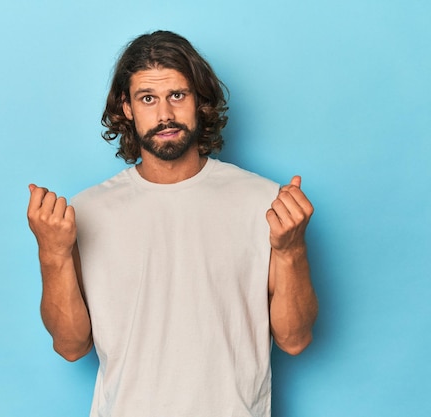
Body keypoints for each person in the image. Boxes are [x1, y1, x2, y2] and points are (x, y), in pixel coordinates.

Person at [27, 30, 318, 417]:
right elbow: (70, 346)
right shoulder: (87, 211)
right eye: (147, 98)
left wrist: (291, 248)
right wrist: (52, 252)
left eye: (177, 95)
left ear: (199, 101)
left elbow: (295, 339)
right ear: (126, 108)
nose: (164, 114)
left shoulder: (265, 204)